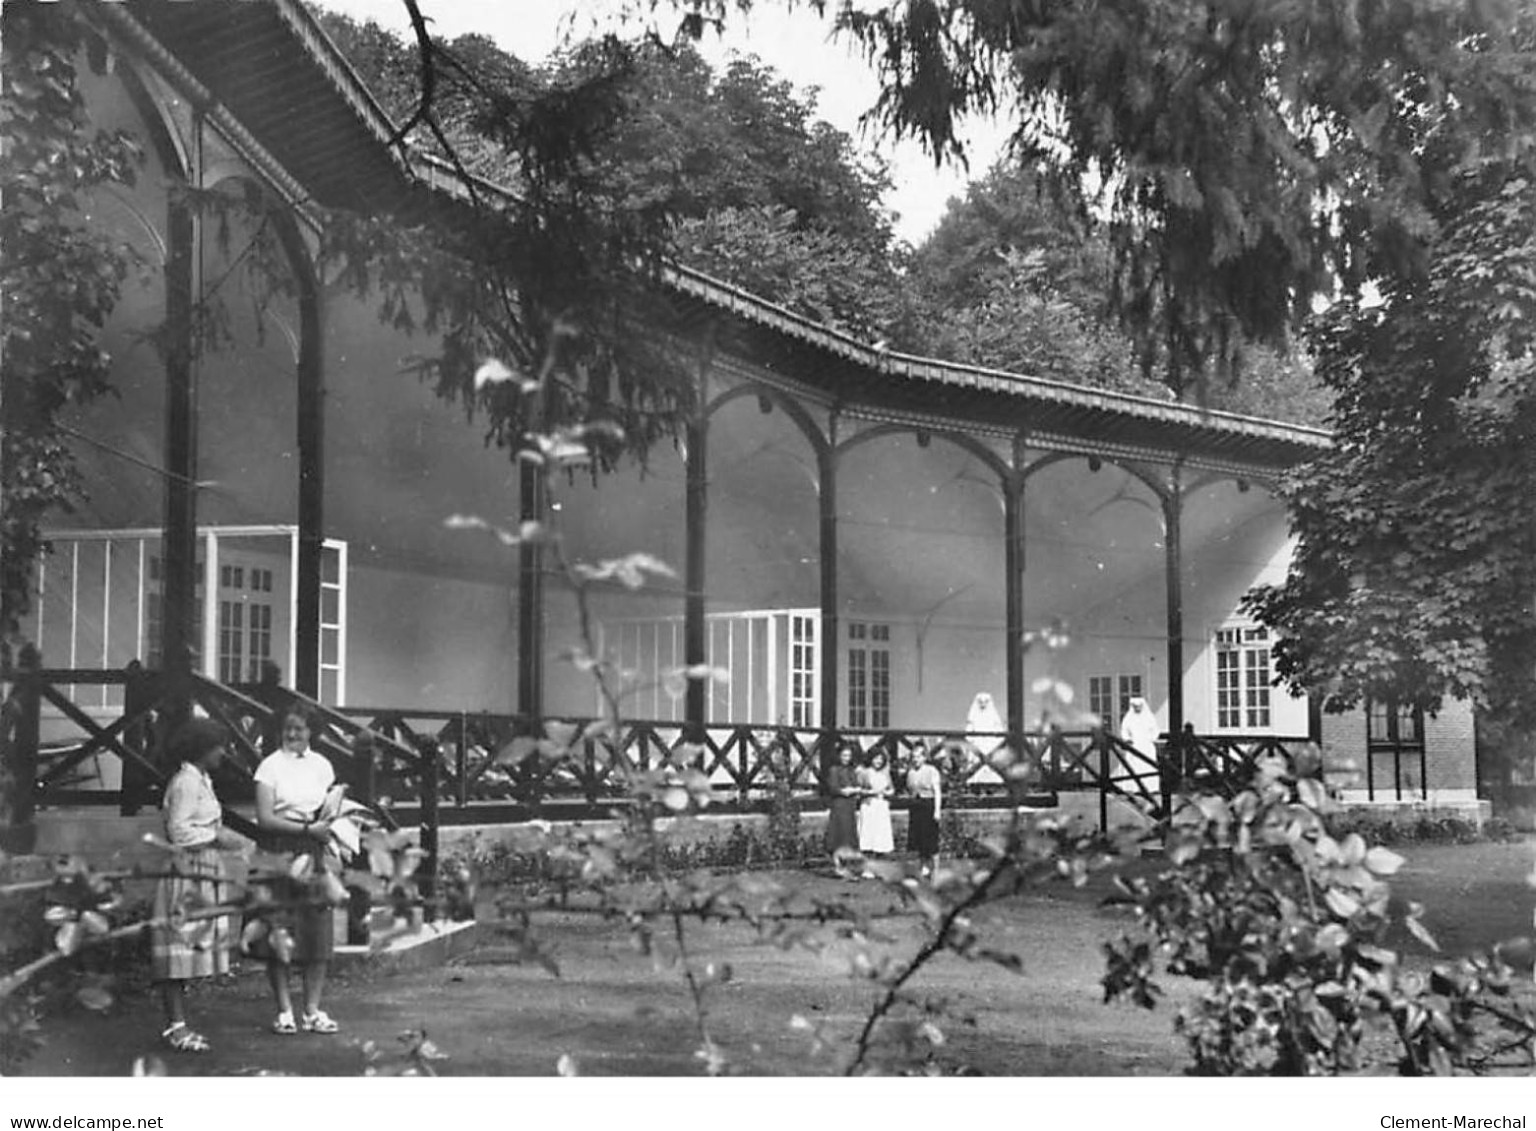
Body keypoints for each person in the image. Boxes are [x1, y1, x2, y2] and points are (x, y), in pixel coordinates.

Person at [150, 718, 248, 1053]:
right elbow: (178, 831)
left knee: (188, 950)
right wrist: (216, 837)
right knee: (177, 950)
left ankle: (179, 1024)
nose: (223, 753)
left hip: (201, 867)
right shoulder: (186, 783)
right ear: (202, 749)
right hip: (187, 868)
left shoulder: (201, 779)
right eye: (218, 746)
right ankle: (176, 1027)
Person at [252, 705, 343, 1035]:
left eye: (300, 729)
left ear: (311, 732)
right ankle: (284, 1011)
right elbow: (265, 818)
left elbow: (330, 810)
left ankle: (312, 1010)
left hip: (314, 853)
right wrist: (306, 831)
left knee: (317, 934)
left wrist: (331, 830)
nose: (293, 735)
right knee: (280, 932)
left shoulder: (322, 766)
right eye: (288, 728)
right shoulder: (269, 767)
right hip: (278, 853)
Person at [906, 742, 943, 876]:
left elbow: (937, 792)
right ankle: (923, 866)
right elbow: (910, 790)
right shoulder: (910, 772)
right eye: (914, 757)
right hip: (916, 807)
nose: (916, 759)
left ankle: (936, 868)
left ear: (924, 757)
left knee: (931, 839)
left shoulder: (931, 770)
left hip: (929, 805)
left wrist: (937, 811)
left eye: (919, 756)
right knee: (919, 839)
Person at [823, 743, 861, 871]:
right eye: (844, 755)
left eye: (849, 755)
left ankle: (846, 864)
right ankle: (837, 864)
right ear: (839, 755)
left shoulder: (851, 770)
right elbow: (833, 787)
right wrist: (843, 791)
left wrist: (855, 789)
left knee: (848, 834)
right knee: (838, 833)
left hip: (850, 805)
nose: (846, 758)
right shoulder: (834, 770)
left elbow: (856, 784)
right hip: (839, 804)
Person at [855, 750, 895, 864]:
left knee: (880, 837)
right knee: (868, 836)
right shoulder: (864, 773)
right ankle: (867, 866)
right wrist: (870, 792)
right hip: (869, 806)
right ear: (871, 759)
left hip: (881, 806)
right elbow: (858, 790)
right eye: (876, 758)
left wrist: (888, 793)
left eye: (881, 759)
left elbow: (892, 789)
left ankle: (879, 865)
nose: (878, 761)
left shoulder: (885, 773)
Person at [1119, 695, 1161, 760]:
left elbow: (1155, 730)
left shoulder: (1149, 717)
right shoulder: (1128, 718)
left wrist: (1150, 739)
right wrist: (1127, 739)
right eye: (1135, 706)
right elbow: (1124, 730)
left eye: (1139, 706)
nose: (1137, 708)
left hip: (1147, 746)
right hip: (1134, 745)